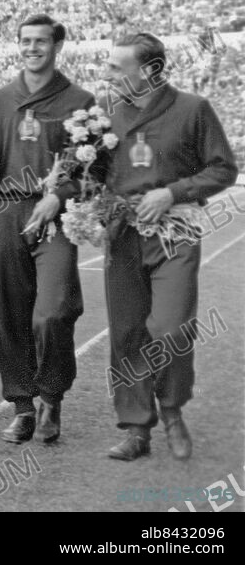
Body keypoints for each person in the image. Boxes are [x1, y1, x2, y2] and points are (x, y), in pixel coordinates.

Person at [101, 33, 237, 461]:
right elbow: (88, 172)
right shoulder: (104, 116)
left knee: (172, 328)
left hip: (173, 235)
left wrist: (172, 193)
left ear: (149, 71)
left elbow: (223, 169)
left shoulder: (193, 109)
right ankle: (136, 428)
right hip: (122, 238)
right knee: (127, 333)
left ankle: (173, 410)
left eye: (115, 68)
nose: (106, 76)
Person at [0, 14, 97, 444]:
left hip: (55, 219)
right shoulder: (0, 99)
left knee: (54, 311)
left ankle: (52, 398)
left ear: (57, 45)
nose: (32, 49)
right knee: (12, 313)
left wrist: (57, 197)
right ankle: (24, 407)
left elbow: (93, 172)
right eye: (25, 41)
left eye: (41, 41)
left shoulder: (80, 99)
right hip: (9, 213)